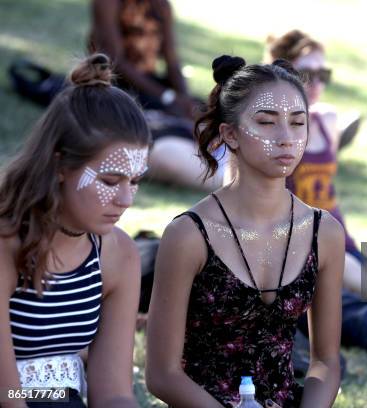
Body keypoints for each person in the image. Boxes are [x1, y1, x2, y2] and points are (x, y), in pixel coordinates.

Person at [145, 55, 343, 408]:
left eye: (298, 123)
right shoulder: (189, 235)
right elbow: (162, 374)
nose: (286, 138)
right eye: (267, 122)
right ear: (230, 134)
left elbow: (325, 362)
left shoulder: (323, 231)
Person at [0, 54, 149, 407]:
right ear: (60, 165)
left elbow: (113, 392)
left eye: (136, 181)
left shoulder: (118, 254)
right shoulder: (7, 243)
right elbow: (8, 394)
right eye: (110, 180)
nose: (126, 198)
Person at [266, 29, 367, 352]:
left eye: (324, 74)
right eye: (307, 73)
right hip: (307, 243)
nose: (317, 83)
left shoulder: (328, 120)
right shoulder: (270, 130)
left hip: (341, 237)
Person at [89, 0, 225, 190]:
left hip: (149, 84)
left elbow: (172, 60)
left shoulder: (160, 6)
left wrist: (185, 101)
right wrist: (168, 97)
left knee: (208, 113)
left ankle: (215, 154)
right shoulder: (108, 3)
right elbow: (115, 61)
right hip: (113, 85)